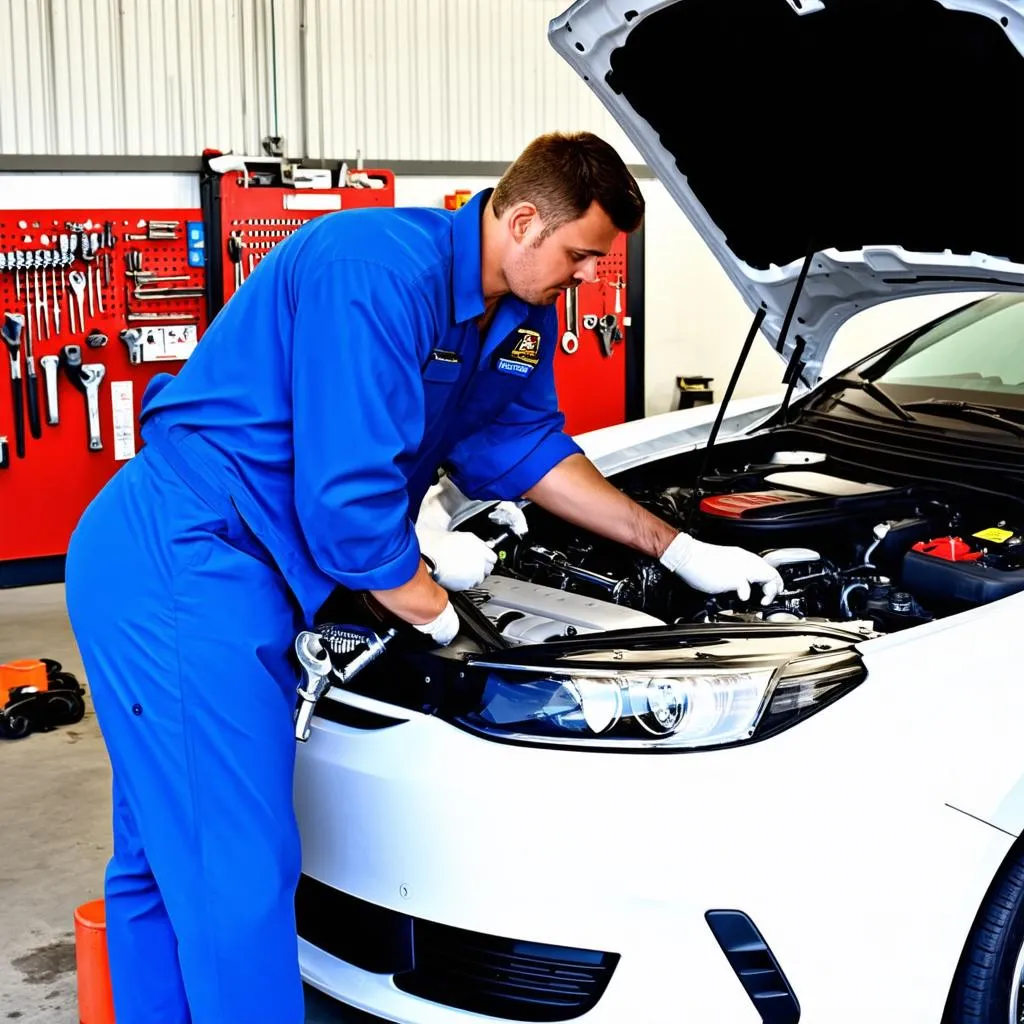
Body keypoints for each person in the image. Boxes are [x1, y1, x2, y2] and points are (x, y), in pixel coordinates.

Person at [64, 130, 783, 1023]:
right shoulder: (371, 269)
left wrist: (671, 547)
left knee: (162, 854)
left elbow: (522, 445)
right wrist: (432, 602)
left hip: (245, 563)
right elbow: (346, 502)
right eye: (581, 256)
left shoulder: (517, 314)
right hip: (185, 558)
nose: (588, 279)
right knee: (235, 874)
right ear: (524, 221)